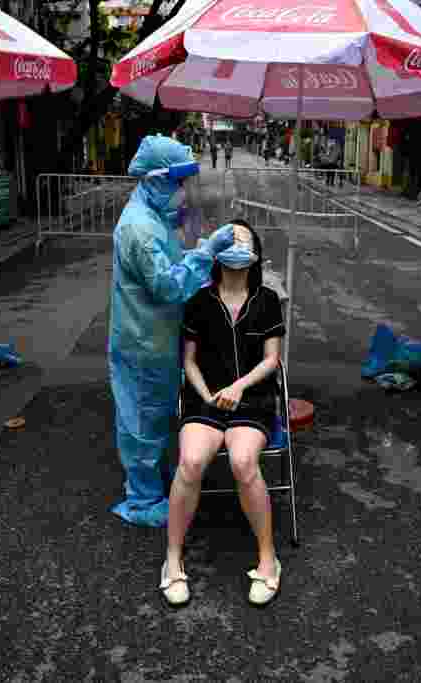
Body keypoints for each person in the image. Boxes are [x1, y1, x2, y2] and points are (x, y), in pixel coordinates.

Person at [109, 134, 237, 528]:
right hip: (143, 340)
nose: (182, 192)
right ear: (155, 180)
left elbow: (169, 261)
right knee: (143, 420)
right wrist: (206, 253)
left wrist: (192, 251)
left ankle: (154, 482)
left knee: (155, 415)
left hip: (156, 336)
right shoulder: (140, 229)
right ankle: (144, 500)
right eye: (178, 183)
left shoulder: (153, 218)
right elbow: (165, 284)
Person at [161, 219, 286, 607]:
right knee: (192, 461)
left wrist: (237, 388)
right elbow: (190, 362)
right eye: (228, 241)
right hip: (205, 400)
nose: (236, 248)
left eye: (244, 241)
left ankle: (268, 559)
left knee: (244, 460)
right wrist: (208, 395)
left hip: (252, 401)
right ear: (216, 252)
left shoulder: (266, 299)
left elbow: (272, 360)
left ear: (255, 254)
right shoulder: (198, 302)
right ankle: (172, 559)